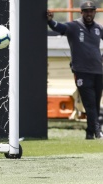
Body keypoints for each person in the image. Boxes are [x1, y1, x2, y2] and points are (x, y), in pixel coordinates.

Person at [47, 1, 103, 139]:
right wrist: (50, 21)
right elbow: (58, 27)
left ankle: (90, 133)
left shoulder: (98, 28)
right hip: (82, 71)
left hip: (98, 71)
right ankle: (97, 131)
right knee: (89, 102)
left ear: (95, 12)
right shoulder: (74, 26)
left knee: (95, 103)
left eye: (91, 11)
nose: (89, 13)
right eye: (86, 11)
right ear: (81, 12)